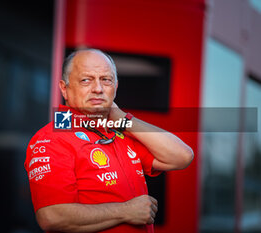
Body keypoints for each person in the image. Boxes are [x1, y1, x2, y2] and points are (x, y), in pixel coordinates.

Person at [24, 48, 194, 233]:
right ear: (65, 88)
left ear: (116, 87)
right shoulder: (52, 138)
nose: (98, 89)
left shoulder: (118, 132)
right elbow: (52, 216)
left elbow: (182, 156)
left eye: (106, 80)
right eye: (86, 80)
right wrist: (125, 211)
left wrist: (121, 117)